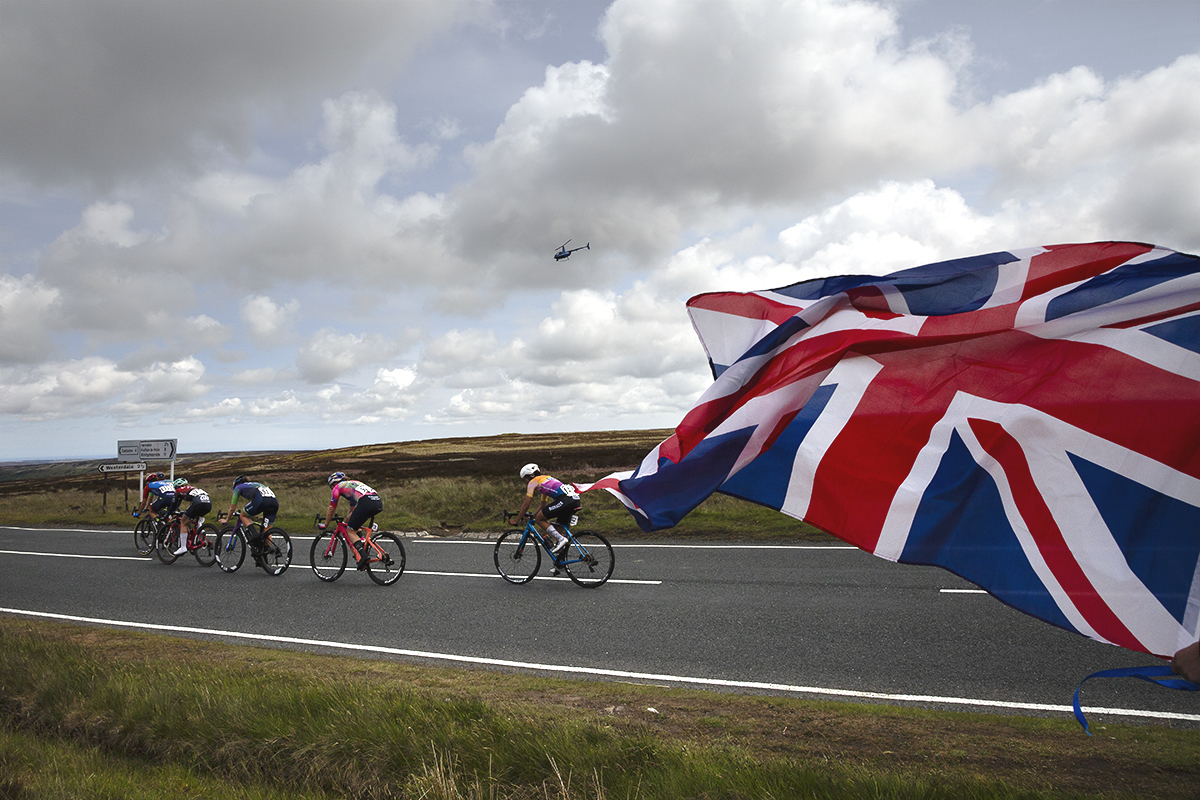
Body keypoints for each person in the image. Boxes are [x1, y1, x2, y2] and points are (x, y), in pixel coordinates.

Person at [510, 463, 578, 560]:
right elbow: (543, 506)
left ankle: (562, 539)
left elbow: (526, 505)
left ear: (528, 477)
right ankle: (561, 562)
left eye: (524, 479)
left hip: (566, 500)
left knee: (540, 519)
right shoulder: (545, 480)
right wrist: (532, 517)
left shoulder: (532, 482)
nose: (525, 482)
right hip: (574, 500)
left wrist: (516, 520)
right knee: (558, 528)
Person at [319, 472, 384, 570]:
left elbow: (332, 508)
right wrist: (347, 521)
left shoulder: (337, 487)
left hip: (366, 502)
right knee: (353, 524)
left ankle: (363, 556)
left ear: (333, 484)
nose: (332, 489)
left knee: (350, 531)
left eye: (331, 487)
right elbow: (353, 511)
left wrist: (326, 524)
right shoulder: (353, 485)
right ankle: (362, 543)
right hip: (377, 502)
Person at [222, 475, 279, 551]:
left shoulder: (238, 488)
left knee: (243, 515)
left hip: (262, 501)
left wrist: (226, 520)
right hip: (274, 502)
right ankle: (264, 554)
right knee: (267, 530)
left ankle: (255, 536)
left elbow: (232, 508)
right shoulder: (254, 484)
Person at [169, 478, 212, 556]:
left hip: (198, 502)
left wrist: (168, 513)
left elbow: (173, 504)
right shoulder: (194, 488)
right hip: (208, 502)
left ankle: (183, 548)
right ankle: (200, 531)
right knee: (196, 519)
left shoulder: (178, 491)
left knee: (184, 522)